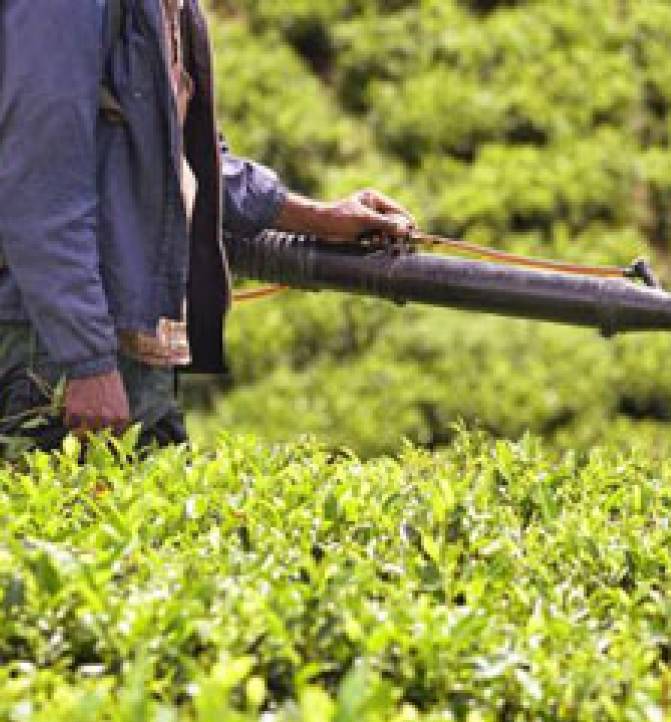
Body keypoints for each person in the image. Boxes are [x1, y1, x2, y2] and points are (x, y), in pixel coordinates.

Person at [0, 0, 415, 449]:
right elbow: (39, 188)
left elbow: (182, 161)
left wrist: (322, 217)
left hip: (121, 351)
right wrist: (87, 361)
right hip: (53, 351)